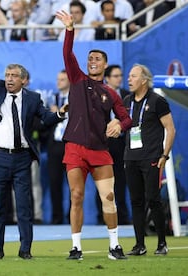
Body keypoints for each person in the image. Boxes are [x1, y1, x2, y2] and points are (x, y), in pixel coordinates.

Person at [0, 49, 66, 260]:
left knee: (24, 207)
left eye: (14, 76)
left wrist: (60, 114)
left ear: (24, 80)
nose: (9, 79)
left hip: (22, 158)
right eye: (7, 75)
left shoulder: (33, 98)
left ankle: (25, 250)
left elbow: (46, 118)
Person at [56, 10, 132, 260]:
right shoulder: (77, 79)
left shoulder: (111, 93)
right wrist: (70, 30)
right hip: (75, 148)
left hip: (100, 151)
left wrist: (120, 126)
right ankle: (76, 248)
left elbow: (127, 118)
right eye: (90, 58)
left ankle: (114, 246)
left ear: (105, 64)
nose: (92, 61)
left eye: (97, 58)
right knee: (76, 195)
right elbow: (67, 54)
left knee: (109, 198)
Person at [123, 64, 175, 256]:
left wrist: (164, 155)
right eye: (128, 76)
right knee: (136, 201)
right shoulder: (126, 101)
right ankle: (139, 245)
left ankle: (162, 243)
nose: (129, 79)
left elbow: (171, 129)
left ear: (144, 80)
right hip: (131, 158)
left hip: (152, 157)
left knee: (153, 199)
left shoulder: (157, 101)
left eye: (133, 76)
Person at [95, 65, 130, 225]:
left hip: (121, 142)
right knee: (102, 179)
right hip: (103, 143)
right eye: (116, 76)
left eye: (120, 75)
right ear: (107, 78)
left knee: (121, 180)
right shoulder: (98, 94)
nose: (119, 78)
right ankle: (101, 216)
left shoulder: (127, 96)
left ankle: (121, 215)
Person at [47, 69, 70, 224]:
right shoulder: (52, 99)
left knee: (73, 184)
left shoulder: (75, 99)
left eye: (62, 79)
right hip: (55, 145)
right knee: (54, 183)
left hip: (70, 145)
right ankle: (57, 217)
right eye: (58, 79)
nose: (59, 82)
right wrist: (53, 114)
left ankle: (71, 217)